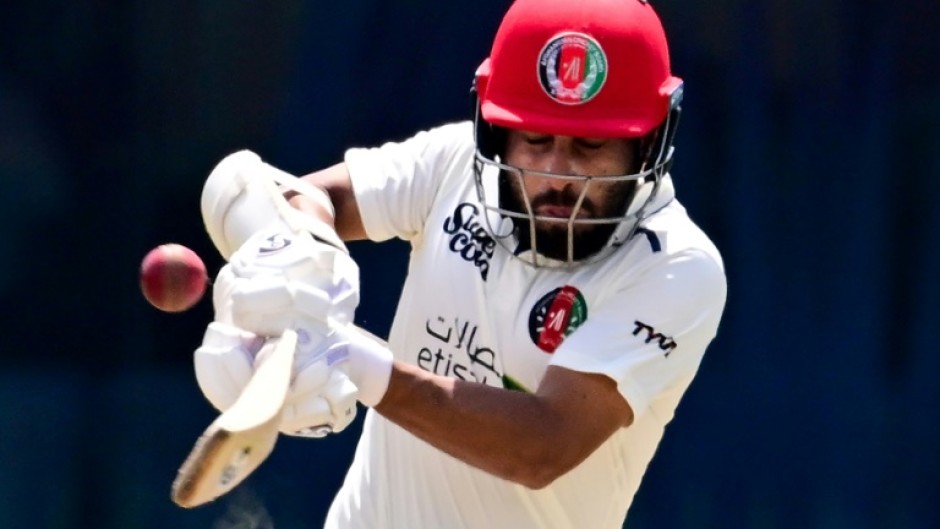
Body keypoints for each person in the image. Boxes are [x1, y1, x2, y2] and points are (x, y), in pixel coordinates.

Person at [193, 0, 727, 527]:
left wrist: (349, 359)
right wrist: (294, 267)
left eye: (591, 145)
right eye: (535, 139)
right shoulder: (454, 164)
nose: (558, 173)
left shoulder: (678, 267)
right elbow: (302, 199)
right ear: (498, 131)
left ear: (649, 141)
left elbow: (542, 446)